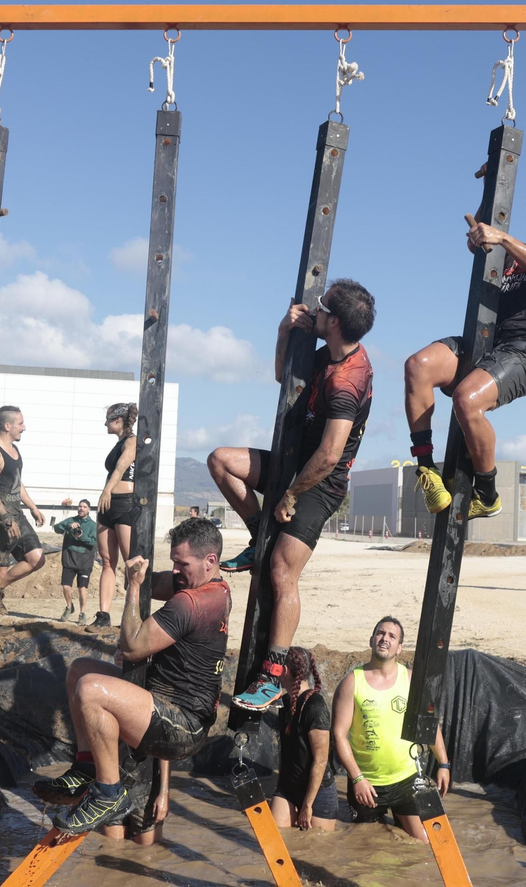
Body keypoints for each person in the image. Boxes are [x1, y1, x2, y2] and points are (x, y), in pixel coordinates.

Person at [207, 278, 377, 712]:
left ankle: (274, 674)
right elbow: (284, 377)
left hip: (319, 483)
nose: (313, 312)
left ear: (334, 322)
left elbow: (329, 454)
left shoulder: (348, 381)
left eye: (321, 310)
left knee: (282, 571)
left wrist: (289, 496)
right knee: (221, 461)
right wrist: (284, 331)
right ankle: (254, 536)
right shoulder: (327, 353)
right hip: (289, 463)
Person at [31, 517, 232, 834]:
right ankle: (86, 765)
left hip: (181, 724)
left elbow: (134, 646)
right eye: (174, 563)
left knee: (90, 689)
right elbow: (160, 582)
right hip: (164, 703)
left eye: (182, 564)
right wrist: (136, 569)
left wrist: (134, 586)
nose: (176, 571)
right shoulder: (213, 587)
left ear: (210, 561)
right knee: (80, 669)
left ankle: (108, 794)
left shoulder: (191, 603)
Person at [404, 184, 526, 519]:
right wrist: (491, 189)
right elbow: (479, 238)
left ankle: (487, 495)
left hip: (525, 354)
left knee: (467, 399)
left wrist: (502, 238)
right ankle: (427, 469)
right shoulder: (512, 257)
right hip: (483, 345)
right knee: (418, 366)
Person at [332, 616, 450, 843]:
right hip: (367, 785)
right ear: (371, 640)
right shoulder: (352, 682)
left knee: (424, 844)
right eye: (380, 633)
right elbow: (339, 735)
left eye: (391, 636)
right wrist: (357, 779)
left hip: (406, 780)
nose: (385, 639)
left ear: (399, 648)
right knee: (366, 849)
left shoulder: (410, 680)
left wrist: (443, 763)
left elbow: (428, 725)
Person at [0, 406, 46, 635]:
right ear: (7, 426)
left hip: (18, 514)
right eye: (20, 424)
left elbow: (17, 483)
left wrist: (33, 507)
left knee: (37, 558)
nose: (23, 428)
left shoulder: (14, 450)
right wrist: (5, 519)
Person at [271, 646, 337, 831]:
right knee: (277, 836)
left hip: (318, 793)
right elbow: (286, 752)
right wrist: (279, 788)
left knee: (316, 847)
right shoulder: (285, 703)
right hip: (288, 788)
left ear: (285, 671)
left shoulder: (316, 706)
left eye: (277, 669)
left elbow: (321, 761)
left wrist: (307, 806)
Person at [93, 403, 139, 630]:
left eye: (108, 420)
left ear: (119, 421)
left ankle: (132, 616)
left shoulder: (132, 441)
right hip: (107, 506)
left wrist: (106, 491)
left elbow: (121, 469)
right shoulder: (118, 443)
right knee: (107, 562)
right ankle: (103, 615)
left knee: (132, 563)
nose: (105, 424)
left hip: (124, 504)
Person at [53, 500, 98, 623]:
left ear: (89, 509)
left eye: (84, 507)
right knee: (66, 586)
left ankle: (82, 613)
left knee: (82, 588)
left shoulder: (93, 525)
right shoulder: (71, 520)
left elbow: (94, 542)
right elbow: (56, 528)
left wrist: (81, 536)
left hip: (85, 561)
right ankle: (69, 607)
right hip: (69, 559)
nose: (81, 508)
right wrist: (68, 526)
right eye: (80, 506)